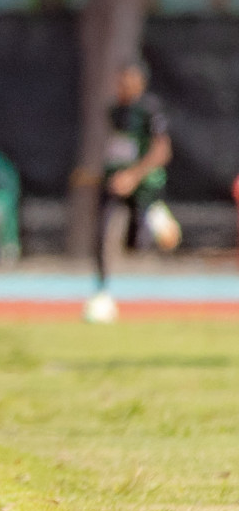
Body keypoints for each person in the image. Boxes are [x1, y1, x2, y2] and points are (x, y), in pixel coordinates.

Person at [88, 60, 173, 323]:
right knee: (102, 231)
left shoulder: (149, 110)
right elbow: (115, 147)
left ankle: (157, 215)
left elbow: (162, 150)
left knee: (139, 243)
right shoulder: (112, 111)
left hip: (144, 185)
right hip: (115, 181)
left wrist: (133, 176)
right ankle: (102, 291)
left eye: (128, 80)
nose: (123, 86)